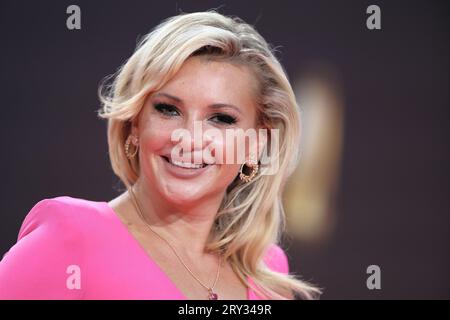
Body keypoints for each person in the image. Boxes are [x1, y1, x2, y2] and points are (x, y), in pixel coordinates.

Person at [0, 10, 320, 300]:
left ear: (256, 143)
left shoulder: (267, 269)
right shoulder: (68, 239)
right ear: (135, 124)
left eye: (220, 118)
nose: (188, 139)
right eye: (168, 110)